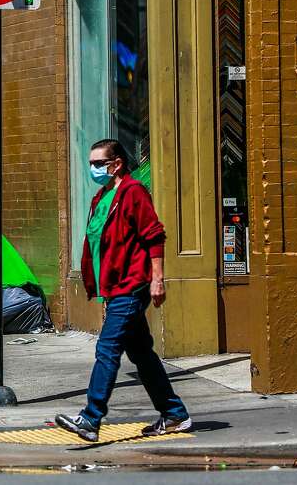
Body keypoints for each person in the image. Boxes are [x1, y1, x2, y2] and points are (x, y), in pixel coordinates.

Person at [56, 139, 191, 442]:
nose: (93, 169)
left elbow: (154, 235)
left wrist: (157, 279)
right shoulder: (101, 197)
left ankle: (90, 419)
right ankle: (174, 414)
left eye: (99, 164)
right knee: (141, 353)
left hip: (133, 285)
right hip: (116, 288)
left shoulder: (133, 192)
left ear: (116, 164)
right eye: (91, 164)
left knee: (107, 348)